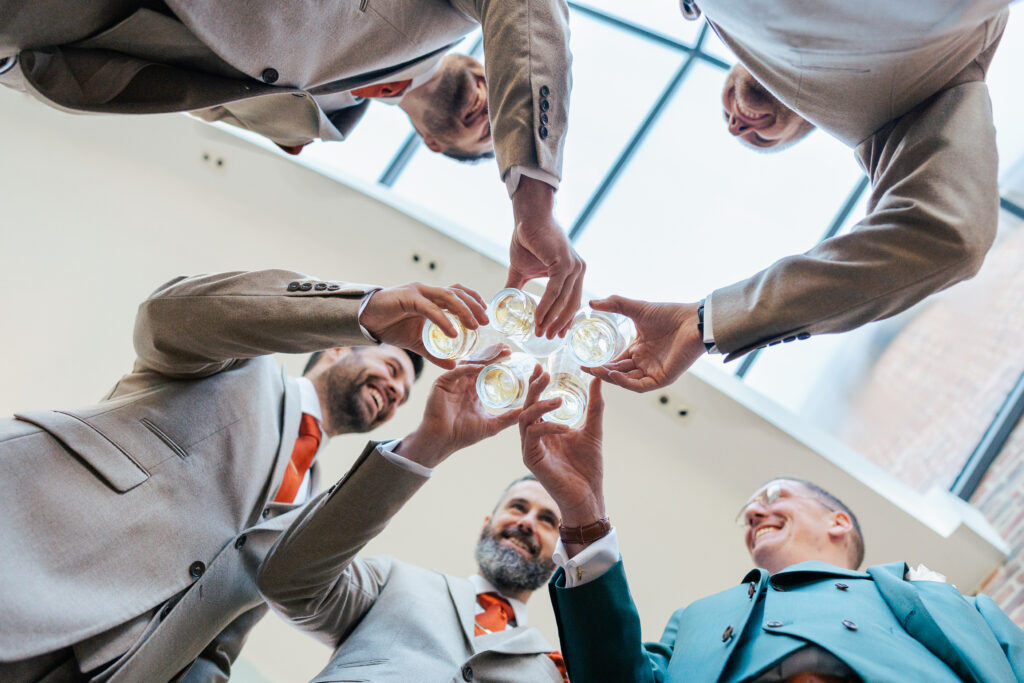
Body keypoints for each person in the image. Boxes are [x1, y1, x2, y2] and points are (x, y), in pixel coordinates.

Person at [0, 269, 491, 682]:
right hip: (21, 560)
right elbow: (166, 319)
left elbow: (222, 639)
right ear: (338, 352)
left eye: (403, 394)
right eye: (390, 367)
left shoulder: (316, 513)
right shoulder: (240, 363)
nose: (395, 390)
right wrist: (360, 313)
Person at [0, 0, 584, 337]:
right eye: (496, 94)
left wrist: (16, 67)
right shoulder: (443, 14)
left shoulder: (309, 126)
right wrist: (532, 194)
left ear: (433, 143)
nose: (487, 108)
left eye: (482, 137)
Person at [584, 0, 1010, 392]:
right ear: (807, 126)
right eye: (759, 140)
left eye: (726, 118)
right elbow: (948, 236)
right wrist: (707, 323)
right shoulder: (901, 107)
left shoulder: (717, 17)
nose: (737, 125)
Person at [514, 368, 1024, 682]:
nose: (754, 513)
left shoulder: (942, 600)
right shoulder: (694, 623)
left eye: (775, 497)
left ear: (838, 521)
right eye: (748, 513)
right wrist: (583, 515)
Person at [256, 356, 569, 682]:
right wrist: (426, 445)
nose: (527, 522)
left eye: (548, 520)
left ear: (561, 554)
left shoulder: (554, 671)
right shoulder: (391, 580)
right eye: (517, 507)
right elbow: (287, 583)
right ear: (486, 523)